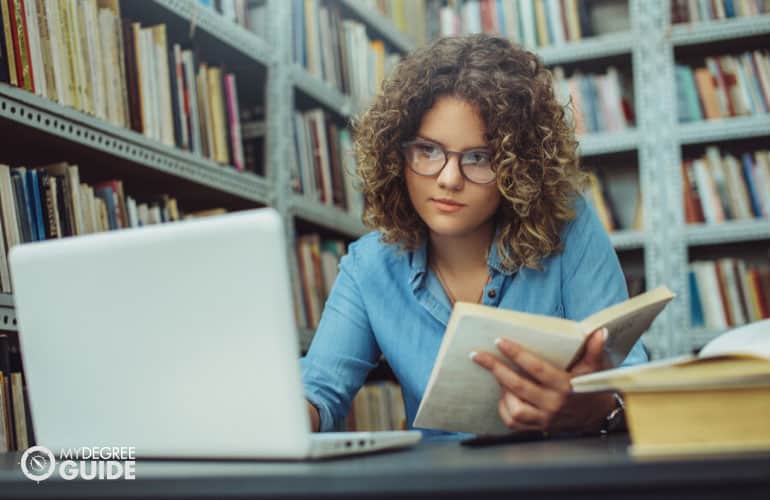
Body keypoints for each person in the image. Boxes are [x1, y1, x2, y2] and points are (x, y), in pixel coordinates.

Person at [300, 34, 647, 437]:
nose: (449, 179)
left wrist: (599, 409)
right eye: (428, 151)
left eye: (479, 157)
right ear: (397, 155)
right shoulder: (369, 265)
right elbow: (318, 392)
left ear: (518, 167)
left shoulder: (569, 229)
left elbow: (632, 380)